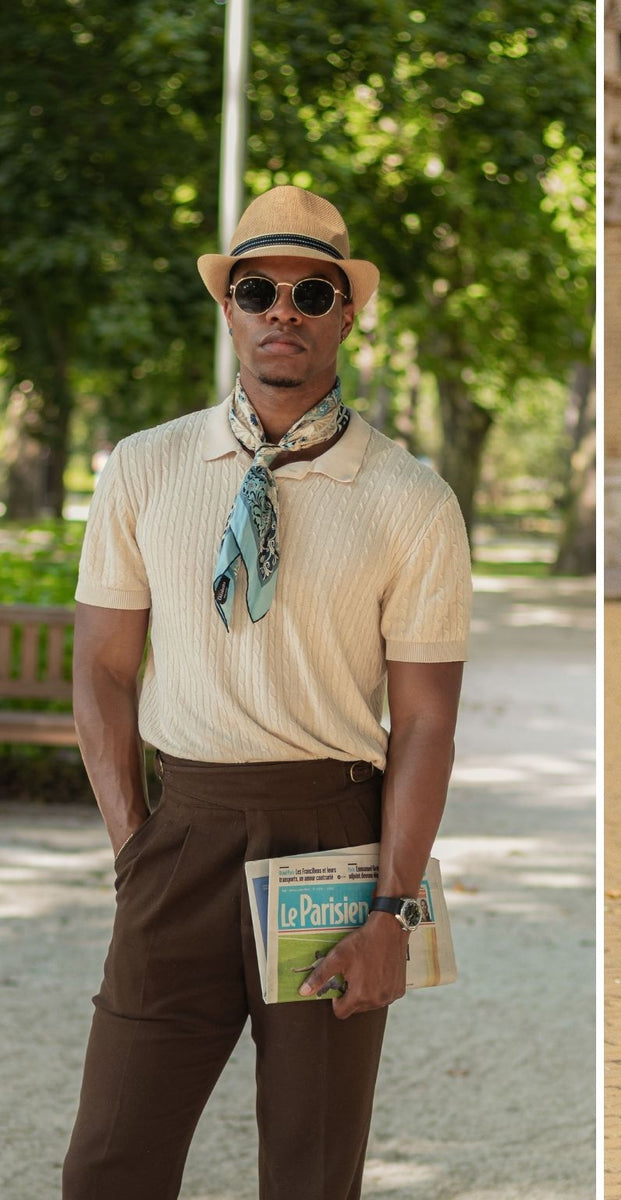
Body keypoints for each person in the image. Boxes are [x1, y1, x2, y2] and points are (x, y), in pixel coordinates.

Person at [62, 185, 472, 1200]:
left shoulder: (409, 497)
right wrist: (133, 850)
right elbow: (104, 672)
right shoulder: (146, 469)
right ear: (231, 308)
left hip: (334, 841)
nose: (281, 309)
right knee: (110, 1162)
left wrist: (393, 908)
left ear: (345, 312)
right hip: (180, 838)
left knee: (310, 1169)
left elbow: (424, 722)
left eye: (310, 291)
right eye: (258, 288)